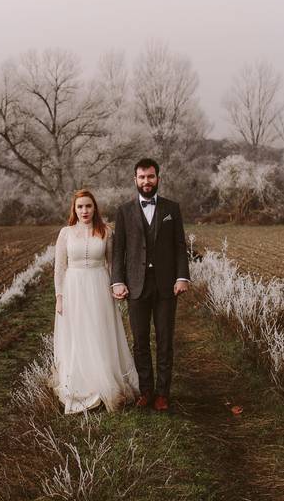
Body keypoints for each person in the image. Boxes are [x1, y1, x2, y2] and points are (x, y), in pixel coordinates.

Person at [110, 158, 190, 412]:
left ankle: (163, 393)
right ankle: (146, 390)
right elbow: (119, 250)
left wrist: (182, 277)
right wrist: (118, 281)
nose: (147, 181)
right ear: (135, 180)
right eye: (142, 177)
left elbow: (180, 245)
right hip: (136, 286)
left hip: (167, 286)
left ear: (158, 178)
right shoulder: (123, 211)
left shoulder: (171, 209)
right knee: (141, 340)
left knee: (165, 340)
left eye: (151, 177)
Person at [51, 189, 139, 414]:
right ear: (74, 210)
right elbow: (60, 268)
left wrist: (116, 288)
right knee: (78, 335)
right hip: (74, 288)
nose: (84, 211)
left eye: (88, 206)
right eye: (80, 207)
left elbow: (112, 265)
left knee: (100, 333)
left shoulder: (106, 232)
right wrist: (59, 297)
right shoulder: (66, 233)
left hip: (99, 286)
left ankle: (105, 384)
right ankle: (81, 386)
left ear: (95, 208)